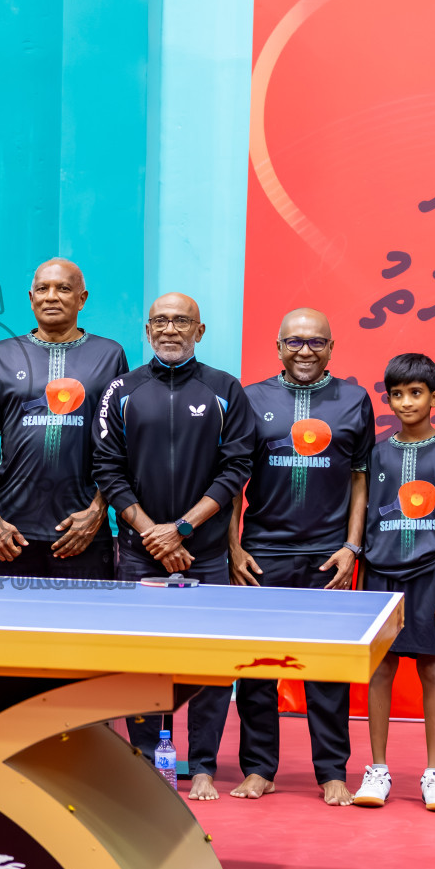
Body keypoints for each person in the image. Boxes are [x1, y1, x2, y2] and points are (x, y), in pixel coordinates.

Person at [92, 293, 256, 800]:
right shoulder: (121, 389)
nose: (170, 329)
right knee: (143, 661)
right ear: (147, 329)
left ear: (199, 331)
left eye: (181, 321)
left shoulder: (225, 389)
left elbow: (236, 469)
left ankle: (203, 764)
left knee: (207, 663)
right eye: (160, 321)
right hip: (141, 553)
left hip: (203, 553)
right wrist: (153, 534)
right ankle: (148, 759)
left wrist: (181, 529)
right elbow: (107, 470)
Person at [230, 308, 373, 807]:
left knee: (327, 671)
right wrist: (234, 545)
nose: (305, 351)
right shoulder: (251, 399)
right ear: (278, 347)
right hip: (262, 554)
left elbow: (360, 478)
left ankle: (332, 772)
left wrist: (351, 546)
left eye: (316, 343)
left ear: (332, 348)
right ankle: (258, 768)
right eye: (294, 342)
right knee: (256, 669)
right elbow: (233, 483)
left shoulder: (355, 400)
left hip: (326, 557)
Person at [353, 353, 435, 811]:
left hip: (430, 574)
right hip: (380, 574)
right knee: (380, 669)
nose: (405, 402)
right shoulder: (377, 452)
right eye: (396, 394)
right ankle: (377, 769)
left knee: (432, 669)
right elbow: (362, 518)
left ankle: (434, 774)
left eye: (415, 393)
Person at [0, 259, 127, 579]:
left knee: (80, 629)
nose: (51, 296)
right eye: (43, 289)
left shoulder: (110, 355)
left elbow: (120, 447)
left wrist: (98, 512)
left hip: (82, 530)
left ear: (82, 298)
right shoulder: (2, 354)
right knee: (8, 628)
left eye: (63, 288)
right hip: (9, 533)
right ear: (31, 298)